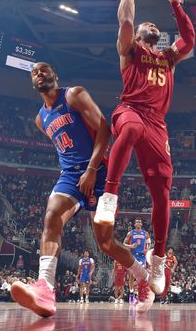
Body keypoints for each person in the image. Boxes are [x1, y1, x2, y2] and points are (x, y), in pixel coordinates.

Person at [93, 0, 195, 314]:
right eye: (144, 27)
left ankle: (159, 257)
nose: (151, 27)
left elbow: (190, 40)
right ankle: (110, 194)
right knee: (132, 128)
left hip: (158, 125)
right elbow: (124, 21)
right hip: (130, 111)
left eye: (155, 26)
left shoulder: (167, 58)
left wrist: (175, 4)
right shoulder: (130, 52)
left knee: (163, 192)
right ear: (137, 38)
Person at [13, 63, 143, 317]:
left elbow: (104, 129)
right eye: (35, 72)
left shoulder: (74, 94)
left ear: (55, 75)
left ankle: (142, 276)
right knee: (51, 216)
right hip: (70, 175)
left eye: (44, 69)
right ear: (32, 83)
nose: (40, 73)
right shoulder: (41, 119)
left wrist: (92, 168)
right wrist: (77, 171)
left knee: (106, 243)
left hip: (100, 171)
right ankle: (45, 289)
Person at [124, 218, 150, 300]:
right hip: (133, 255)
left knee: (141, 276)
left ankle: (139, 293)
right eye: (136, 222)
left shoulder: (145, 233)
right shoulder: (131, 233)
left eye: (139, 222)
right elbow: (124, 243)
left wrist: (147, 249)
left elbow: (149, 243)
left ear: (141, 224)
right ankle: (131, 292)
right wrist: (131, 246)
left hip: (142, 256)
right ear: (135, 224)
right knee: (131, 274)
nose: (138, 223)